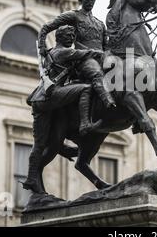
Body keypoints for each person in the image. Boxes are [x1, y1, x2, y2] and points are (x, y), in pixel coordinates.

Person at [23, 25, 103, 193]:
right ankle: (85, 124)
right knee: (85, 89)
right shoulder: (62, 52)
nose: (71, 38)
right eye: (68, 35)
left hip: (42, 100)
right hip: (49, 97)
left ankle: (32, 178)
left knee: (41, 144)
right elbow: (85, 54)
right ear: (59, 37)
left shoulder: (53, 52)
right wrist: (99, 53)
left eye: (73, 35)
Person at [37, 0, 115, 109]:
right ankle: (107, 101)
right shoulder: (74, 16)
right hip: (84, 59)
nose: (90, 1)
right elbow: (46, 27)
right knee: (96, 72)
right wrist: (41, 47)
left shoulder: (100, 24)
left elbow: (106, 46)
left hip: (102, 57)